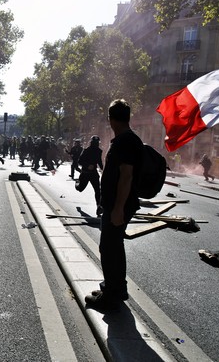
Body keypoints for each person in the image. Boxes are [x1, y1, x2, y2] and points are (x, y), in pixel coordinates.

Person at [85, 99, 144, 310]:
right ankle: (114, 289)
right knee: (113, 247)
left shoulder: (126, 141)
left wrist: (118, 207)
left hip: (120, 206)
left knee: (109, 248)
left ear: (111, 119)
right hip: (114, 204)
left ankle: (111, 297)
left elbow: (126, 176)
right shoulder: (124, 139)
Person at [75, 135, 104, 216]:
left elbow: (99, 161)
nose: (96, 144)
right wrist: (87, 165)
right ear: (91, 143)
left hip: (94, 173)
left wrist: (103, 169)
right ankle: (77, 183)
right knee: (80, 188)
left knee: (98, 190)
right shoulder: (86, 150)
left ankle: (99, 206)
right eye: (95, 142)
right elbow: (80, 161)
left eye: (97, 142)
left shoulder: (99, 151)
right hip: (85, 173)